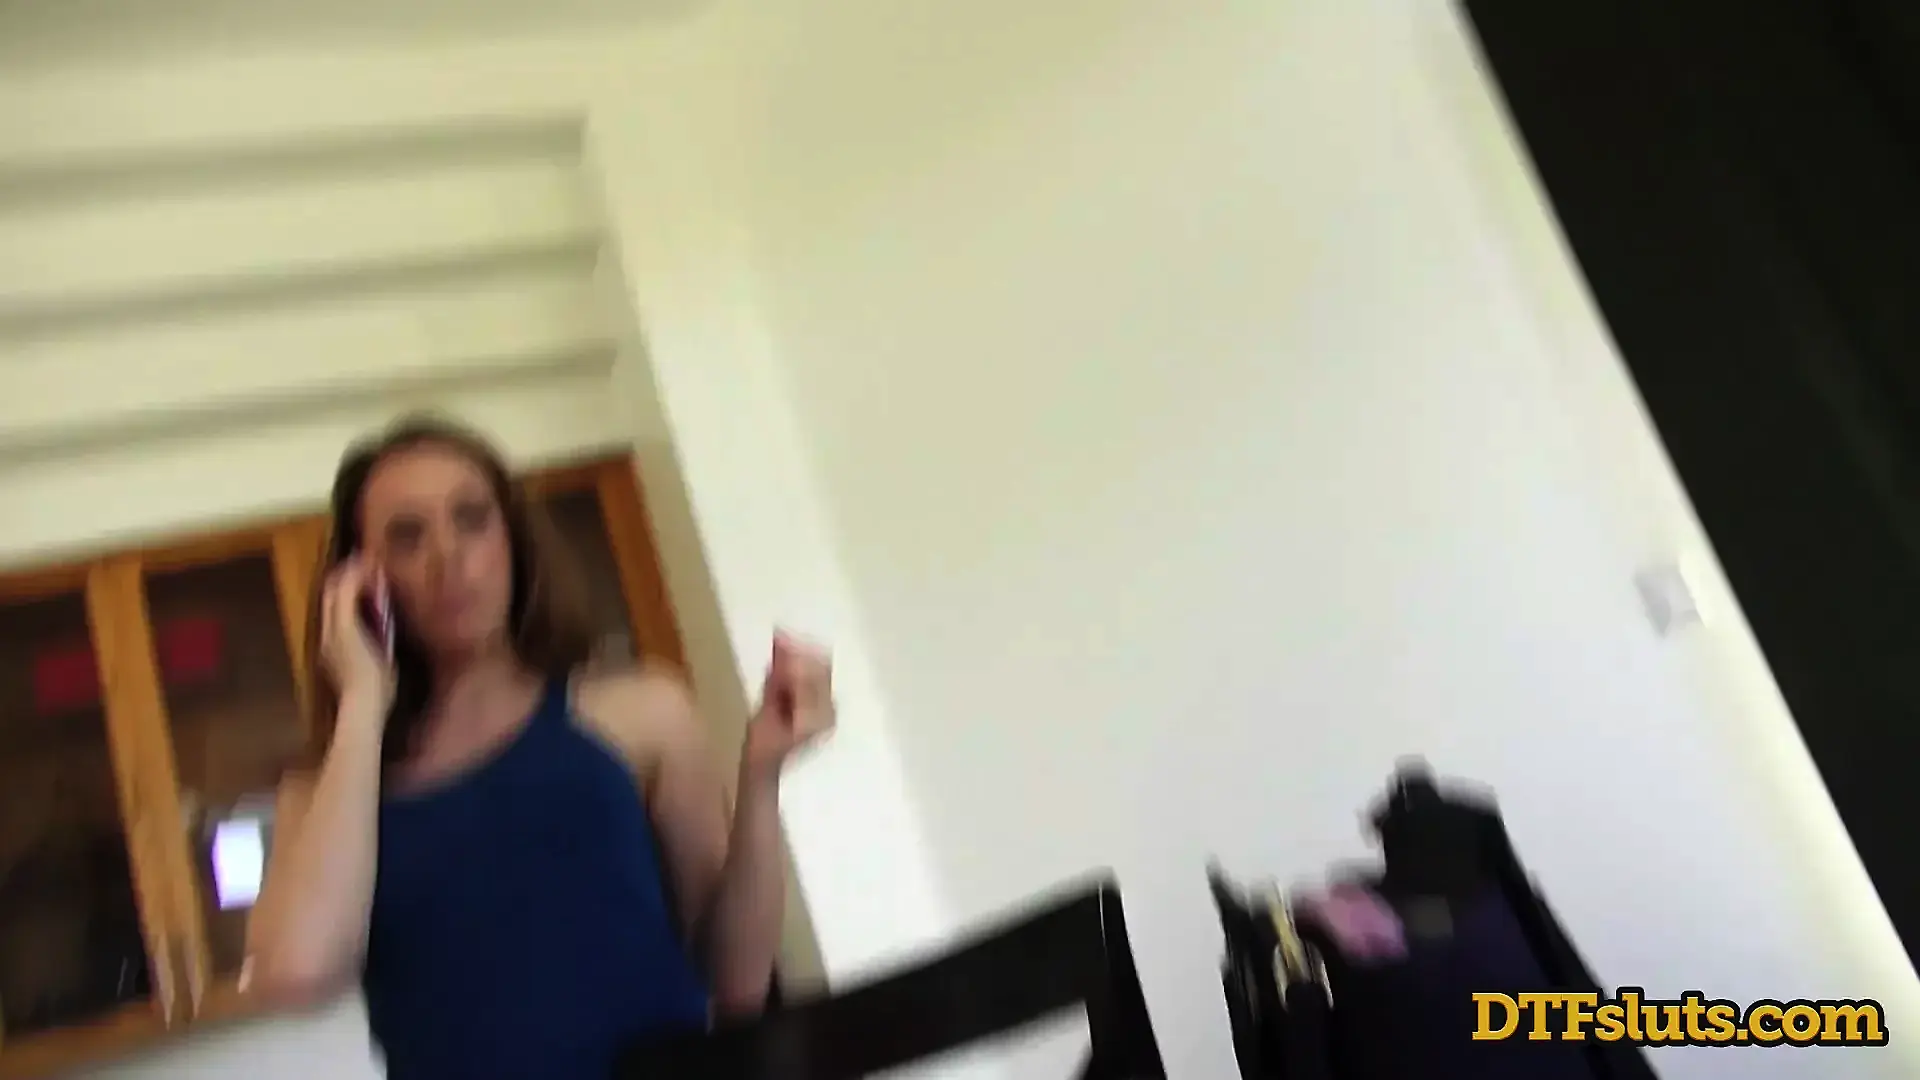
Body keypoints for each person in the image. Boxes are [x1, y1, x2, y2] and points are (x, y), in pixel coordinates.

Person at [243, 415, 833, 1080]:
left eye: (472, 519)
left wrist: (760, 775)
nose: (448, 556)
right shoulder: (325, 795)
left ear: (513, 540)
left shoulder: (640, 714)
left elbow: (736, 983)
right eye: (407, 536)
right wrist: (360, 700)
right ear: (362, 583)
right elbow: (297, 975)